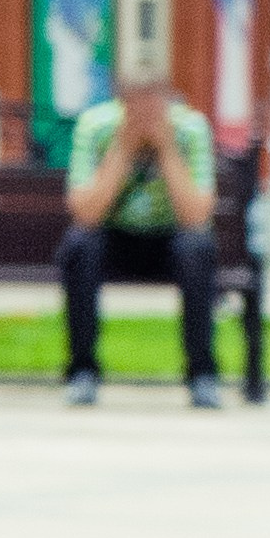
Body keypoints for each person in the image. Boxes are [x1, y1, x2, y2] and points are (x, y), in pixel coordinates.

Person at [57, 80, 222, 407]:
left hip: (169, 240)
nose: (146, 117)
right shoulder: (97, 126)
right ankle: (82, 372)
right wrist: (123, 149)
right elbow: (86, 214)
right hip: (114, 238)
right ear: (122, 105)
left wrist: (166, 150)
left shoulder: (189, 129)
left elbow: (196, 216)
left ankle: (202, 375)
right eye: (136, 109)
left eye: (155, 109)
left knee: (197, 247)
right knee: (79, 245)